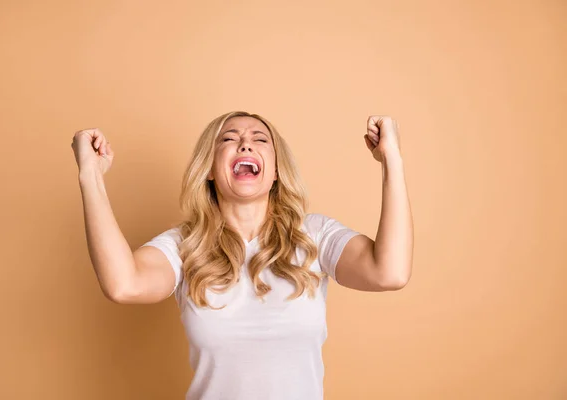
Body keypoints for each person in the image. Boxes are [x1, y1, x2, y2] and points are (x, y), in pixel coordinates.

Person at [71, 111, 413, 400]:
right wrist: (90, 176)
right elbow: (123, 285)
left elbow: (389, 272)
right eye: (228, 139)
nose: (245, 143)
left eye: (260, 139)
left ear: (276, 170)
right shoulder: (183, 245)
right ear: (208, 168)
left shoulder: (315, 235)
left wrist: (391, 159)